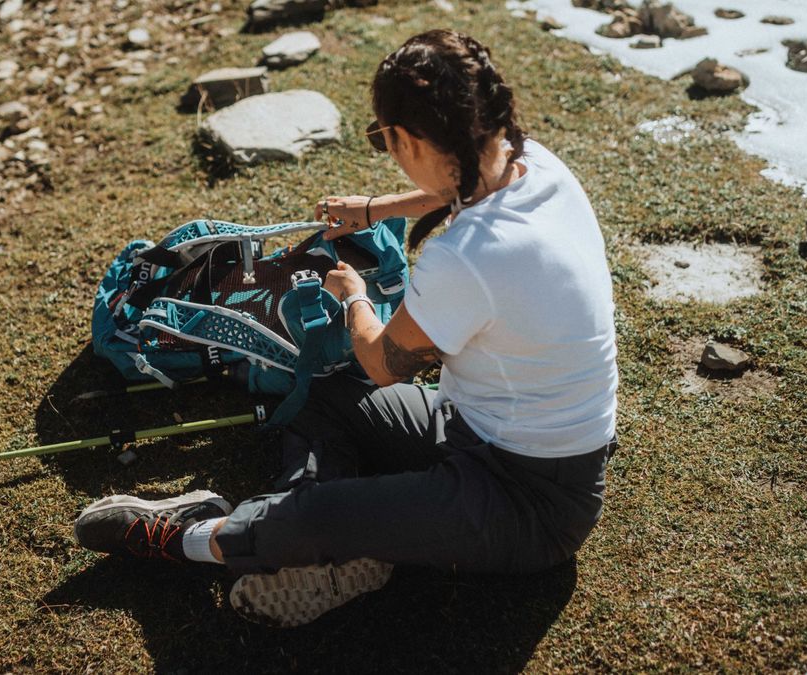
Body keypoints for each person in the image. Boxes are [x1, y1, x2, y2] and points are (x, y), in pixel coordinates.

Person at [74, 29, 619, 627]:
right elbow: (455, 185)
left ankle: (187, 535)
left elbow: (383, 362)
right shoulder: (532, 161)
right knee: (326, 394)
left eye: (384, 137)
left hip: (528, 505)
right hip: (488, 433)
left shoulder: (470, 256)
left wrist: (356, 297)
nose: (385, 147)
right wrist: (378, 208)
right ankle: (329, 552)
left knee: (321, 511)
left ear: (409, 138)